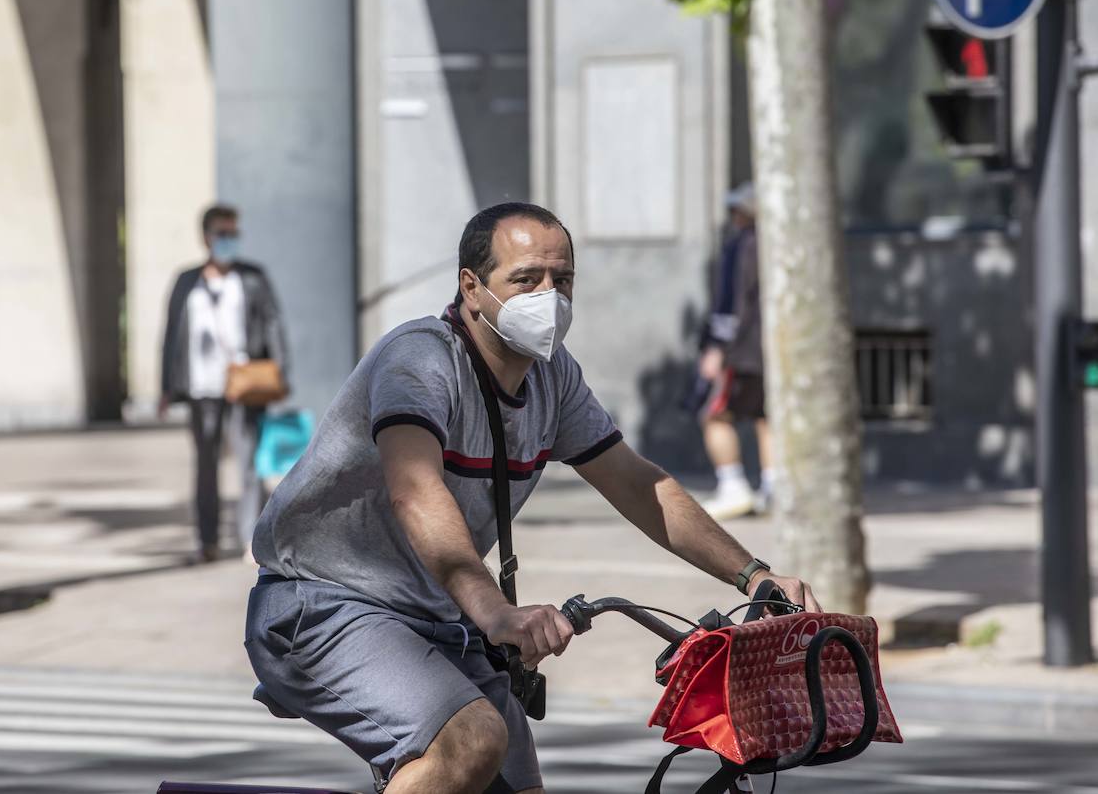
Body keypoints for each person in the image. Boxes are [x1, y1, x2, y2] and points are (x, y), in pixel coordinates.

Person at [245, 203, 820, 794]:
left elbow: (636, 483)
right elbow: (415, 491)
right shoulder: (418, 359)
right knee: (471, 740)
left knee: (518, 786)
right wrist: (496, 612)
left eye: (562, 279)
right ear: (472, 286)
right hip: (321, 607)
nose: (549, 296)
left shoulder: (553, 377)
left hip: (438, 621)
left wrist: (753, 576)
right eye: (526, 279)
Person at [159, 204, 288, 563]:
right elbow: (171, 335)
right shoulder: (187, 281)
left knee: (248, 465)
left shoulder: (252, 277)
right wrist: (166, 387)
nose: (229, 240)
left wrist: (279, 372)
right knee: (205, 467)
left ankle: (251, 538)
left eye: (234, 233)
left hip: (243, 384)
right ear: (206, 237)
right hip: (202, 389)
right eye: (222, 233)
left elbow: (273, 323)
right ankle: (208, 540)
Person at [698, 181, 776, 521]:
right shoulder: (778, 246)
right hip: (771, 348)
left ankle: (733, 486)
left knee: (714, 415)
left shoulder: (741, 246)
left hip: (742, 350)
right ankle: (775, 490)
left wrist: (717, 347)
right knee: (766, 417)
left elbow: (730, 303)